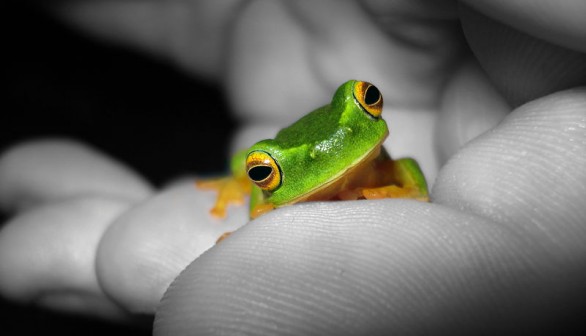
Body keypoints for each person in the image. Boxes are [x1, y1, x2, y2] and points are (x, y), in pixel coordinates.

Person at [0, 0, 584, 334]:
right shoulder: (272, 175)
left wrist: (402, 191)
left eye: (370, 100)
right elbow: (262, 186)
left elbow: (404, 165)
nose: (362, 119)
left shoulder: (378, 157)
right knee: (257, 171)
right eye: (264, 174)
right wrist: (253, 188)